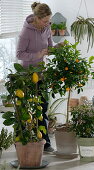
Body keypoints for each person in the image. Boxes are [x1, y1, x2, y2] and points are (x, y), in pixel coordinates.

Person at [16, 1, 54, 153]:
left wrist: (54, 49)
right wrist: (37, 55)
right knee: (24, 110)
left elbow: (49, 46)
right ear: (37, 18)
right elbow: (19, 54)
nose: (47, 24)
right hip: (26, 75)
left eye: (48, 21)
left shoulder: (47, 28)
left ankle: (45, 143)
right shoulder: (26, 32)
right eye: (45, 21)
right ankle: (21, 142)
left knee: (42, 108)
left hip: (41, 74)